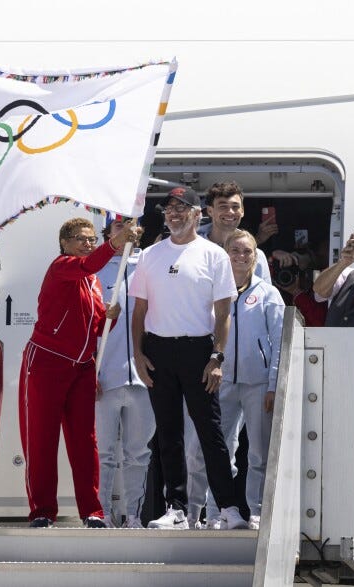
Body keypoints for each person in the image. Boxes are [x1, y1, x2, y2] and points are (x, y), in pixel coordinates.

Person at [130, 186, 249, 531]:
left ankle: (228, 507)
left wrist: (217, 357)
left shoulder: (214, 254)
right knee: (168, 433)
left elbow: (223, 313)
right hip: (158, 350)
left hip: (199, 351)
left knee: (211, 433)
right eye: (169, 209)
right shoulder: (150, 255)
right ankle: (176, 508)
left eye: (182, 208)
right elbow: (139, 309)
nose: (174, 214)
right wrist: (138, 353)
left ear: (198, 214)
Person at [19, 216, 141, 529]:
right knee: (42, 439)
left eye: (91, 239)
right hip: (47, 361)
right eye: (81, 239)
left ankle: (92, 511)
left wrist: (109, 318)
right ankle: (43, 511)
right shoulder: (62, 266)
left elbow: (97, 328)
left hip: (82, 367)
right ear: (65, 243)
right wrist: (114, 244)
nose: (88, 244)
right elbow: (85, 267)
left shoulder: (93, 282)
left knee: (86, 443)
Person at [185, 230, 284, 530]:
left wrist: (272, 384)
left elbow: (279, 342)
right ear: (224, 254)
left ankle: (256, 511)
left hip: (257, 384)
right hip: (220, 382)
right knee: (213, 449)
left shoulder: (268, 294)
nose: (241, 256)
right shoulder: (212, 291)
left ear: (256, 256)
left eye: (248, 251)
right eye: (235, 251)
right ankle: (212, 513)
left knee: (258, 453)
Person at [94, 219, 155, 529]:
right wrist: (90, 368)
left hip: (144, 378)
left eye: (130, 225)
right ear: (109, 233)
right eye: (118, 226)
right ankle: (100, 514)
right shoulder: (94, 269)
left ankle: (133, 515)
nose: (126, 231)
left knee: (138, 453)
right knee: (103, 452)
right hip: (104, 376)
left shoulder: (150, 264)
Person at [197, 181, 273, 284]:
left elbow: (265, 296)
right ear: (210, 211)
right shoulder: (191, 250)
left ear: (242, 211)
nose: (230, 212)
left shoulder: (256, 256)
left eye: (235, 206)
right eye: (223, 206)